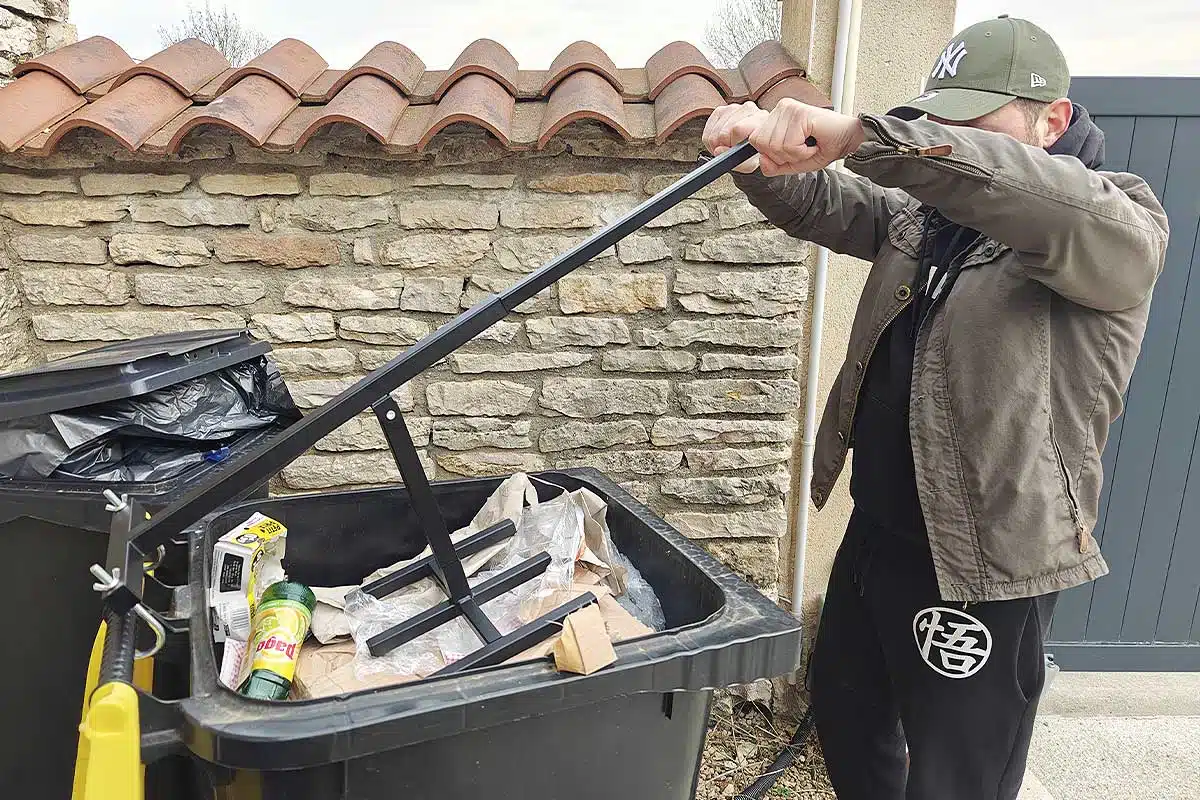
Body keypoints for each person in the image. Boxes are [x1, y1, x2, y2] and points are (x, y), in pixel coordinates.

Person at [703, 15, 1169, 800]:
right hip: (879, 531)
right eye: (938, 117)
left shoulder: (1114, 224)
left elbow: (1022, 190)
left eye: (972, 120)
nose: (946, 138)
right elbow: (834, 206)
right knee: (849, 722)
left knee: (958, 777)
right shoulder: (928, 218)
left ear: (1052, 120)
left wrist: (865, 133)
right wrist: (762, 160)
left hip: (985, 565)